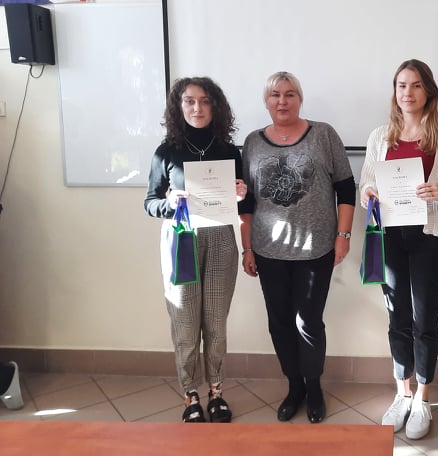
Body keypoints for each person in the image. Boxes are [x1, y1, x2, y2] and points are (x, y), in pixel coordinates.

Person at [359, 59, 438, 440]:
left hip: (429, 236)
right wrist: (369, 194)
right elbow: (366, 185)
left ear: (429, 92)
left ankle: (423, 397)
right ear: (395, 91)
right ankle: (402, 392)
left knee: (425, 318)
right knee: (397, 316)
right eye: (402, 85)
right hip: (390, 236)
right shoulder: (380, 136)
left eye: (416, 85)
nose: (408, 92)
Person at [240, 71, 355, 424]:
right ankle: (294, 388)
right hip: (268, 251)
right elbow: (246, 201)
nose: (282, 101)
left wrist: (343, 235)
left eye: (290, 94)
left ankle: (314, 387)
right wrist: (247, 248)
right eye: (275, 94)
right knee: (279, 323)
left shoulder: (323, 134)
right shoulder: (252, 142)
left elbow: (346, 188)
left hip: (315, 249)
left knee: (308, 322)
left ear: (300, 99)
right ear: (266, 101)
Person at [144, 76, 250, 423]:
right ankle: (190, 395)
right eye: (189, 101)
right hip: (181, 241)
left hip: (221, 240)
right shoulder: (166, 152)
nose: (197, 108)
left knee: (216, 323)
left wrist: (241, 194)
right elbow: (150, 202)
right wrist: (169, 203)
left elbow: (241, 201)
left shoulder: (229, 151)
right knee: (186, 323)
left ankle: (216, 392)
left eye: (205, 101)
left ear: (215, 106)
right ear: (179, 107)